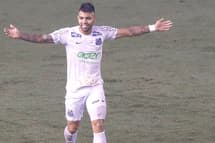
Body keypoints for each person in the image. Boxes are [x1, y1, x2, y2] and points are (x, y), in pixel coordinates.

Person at [3, 2, 173, 143]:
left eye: (88, 18)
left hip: (95, 87)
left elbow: (128, 32)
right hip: (74, 90)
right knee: (72, 127)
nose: (85, 22)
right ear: (78, 18)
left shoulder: (101, 32)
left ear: (94, 18)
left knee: (98, 125)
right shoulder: (68, 34)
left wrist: (153, 27)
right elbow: (42, 38)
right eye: (82, 18)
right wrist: (20, 35)